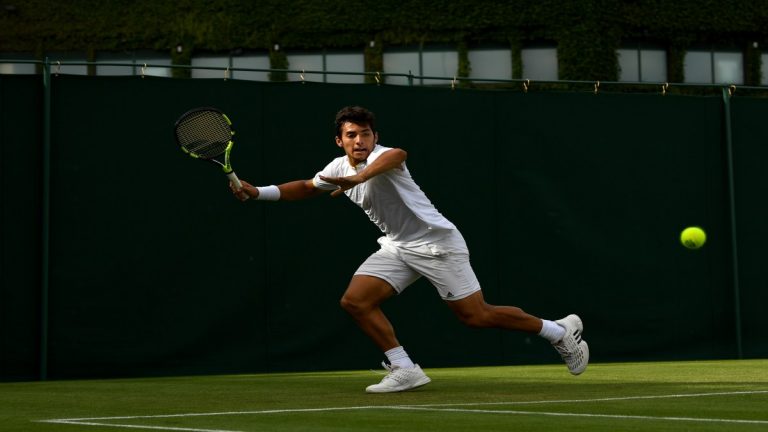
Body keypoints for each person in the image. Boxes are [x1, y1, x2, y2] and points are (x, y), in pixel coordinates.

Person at [231, 106, 589, 393]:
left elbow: (398, 154)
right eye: (351, 135)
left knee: (475, 316)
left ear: (375, 137)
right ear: (339, 141)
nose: (359, 140)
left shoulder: (385, 156)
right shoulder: (337, 166)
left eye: (365, 134)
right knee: (355, 301)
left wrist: (359, 177)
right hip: (398, 247)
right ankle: (404, 367)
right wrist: (257, 192)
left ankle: (558, 332)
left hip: (437, 244)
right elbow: (308, 187)